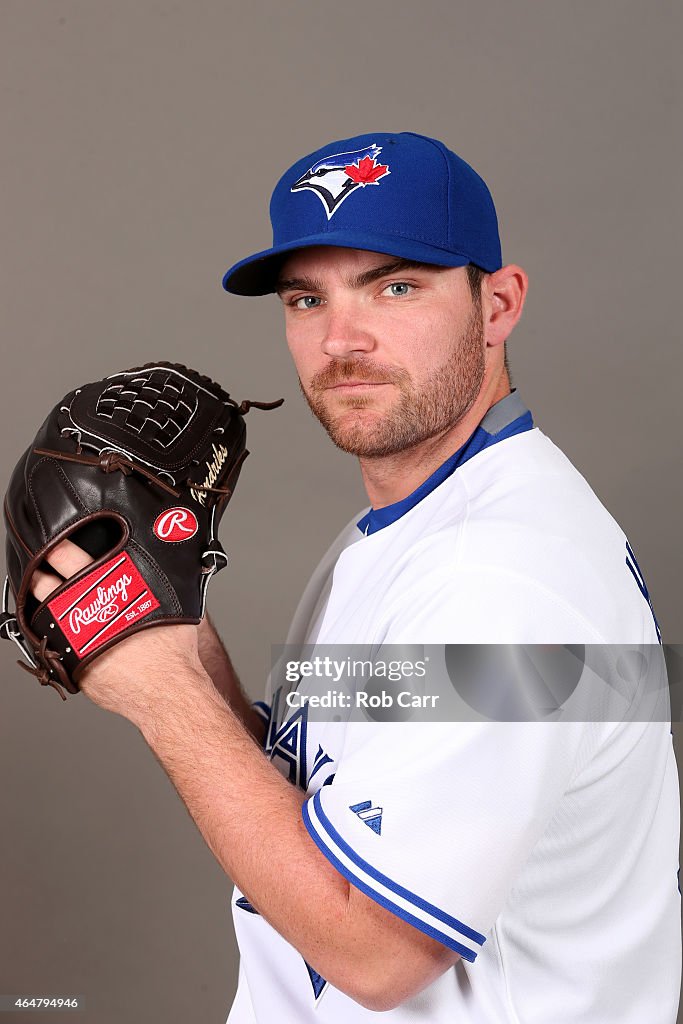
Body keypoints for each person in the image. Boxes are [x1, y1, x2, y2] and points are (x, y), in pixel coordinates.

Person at [32, 132, 680, 1022]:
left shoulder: (504, 578)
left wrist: (159, 693)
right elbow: (324, 788)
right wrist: (173, 634)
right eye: (307, 298)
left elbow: (374, 952)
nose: (341, 339)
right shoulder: (404, 530)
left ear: (497, 304)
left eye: (395, 285)